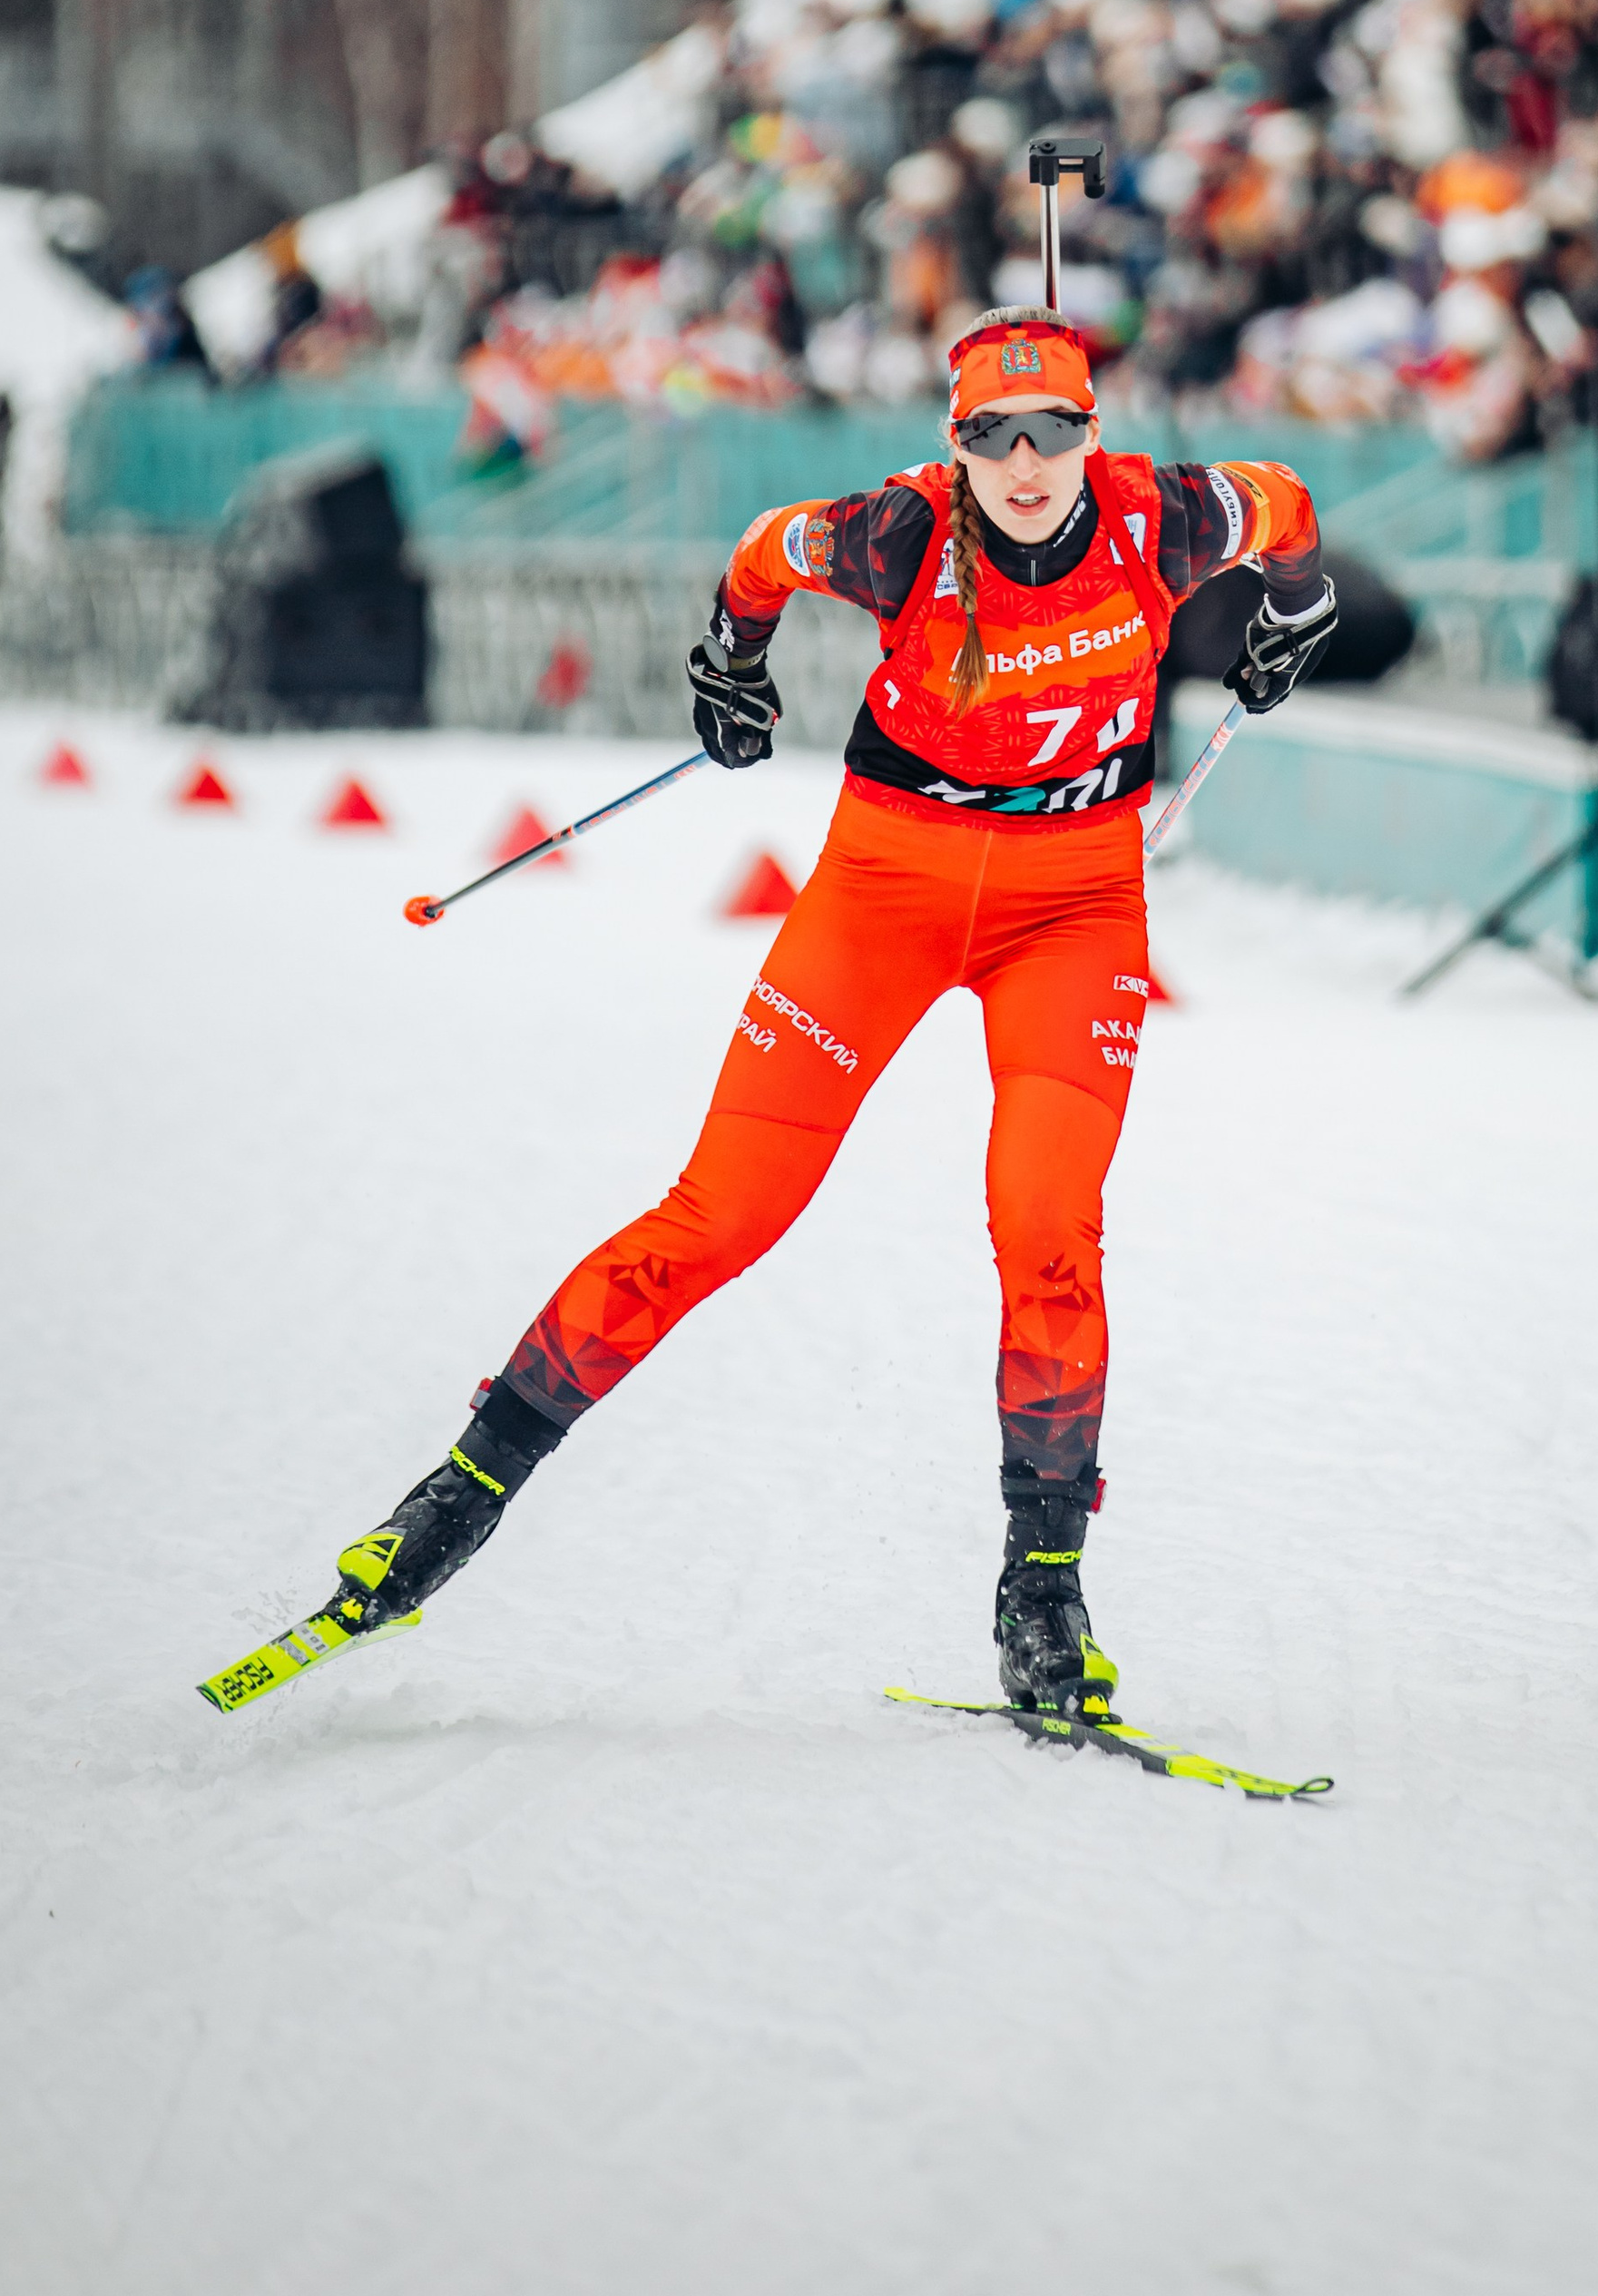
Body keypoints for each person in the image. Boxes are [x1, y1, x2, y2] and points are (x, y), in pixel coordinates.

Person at [248, 311, 1336, 1715]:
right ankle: (449, 1501)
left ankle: (1044, 1594)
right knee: (722, 1214)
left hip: (1075, 901)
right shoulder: (896, 535)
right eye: (992, 434)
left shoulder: (1173, 518)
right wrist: (730, 662)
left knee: (1048, 1224)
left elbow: (1292, 510)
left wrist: (1295, 610)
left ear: (1091, 433)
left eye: (1053, 430)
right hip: (888, 882)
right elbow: (763, 548)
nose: (1025, 461)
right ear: (954, 444)